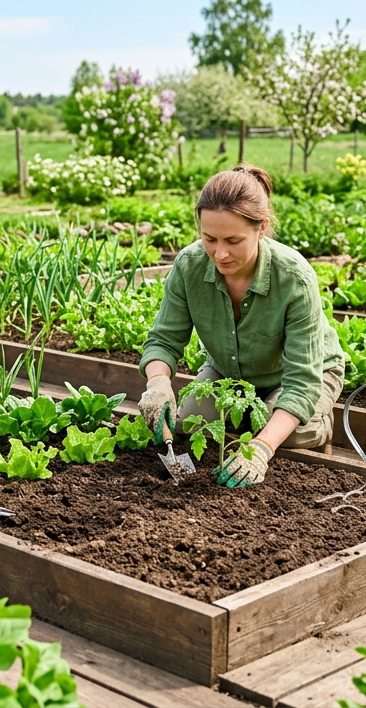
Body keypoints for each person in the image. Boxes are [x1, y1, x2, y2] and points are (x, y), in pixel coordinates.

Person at [137, 164, 346, 488]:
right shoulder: (190, 266)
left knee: (289, 436)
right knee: (190, 426)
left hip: (298, 374)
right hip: (228, 371)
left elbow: (302, 382)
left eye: (233, 240)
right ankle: (257, 415)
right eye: (210, 239)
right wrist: (158, 384)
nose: (220, 253)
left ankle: (316, 422)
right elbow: (164, 340)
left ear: (261, 228)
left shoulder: (294, 278)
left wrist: (261, 449)